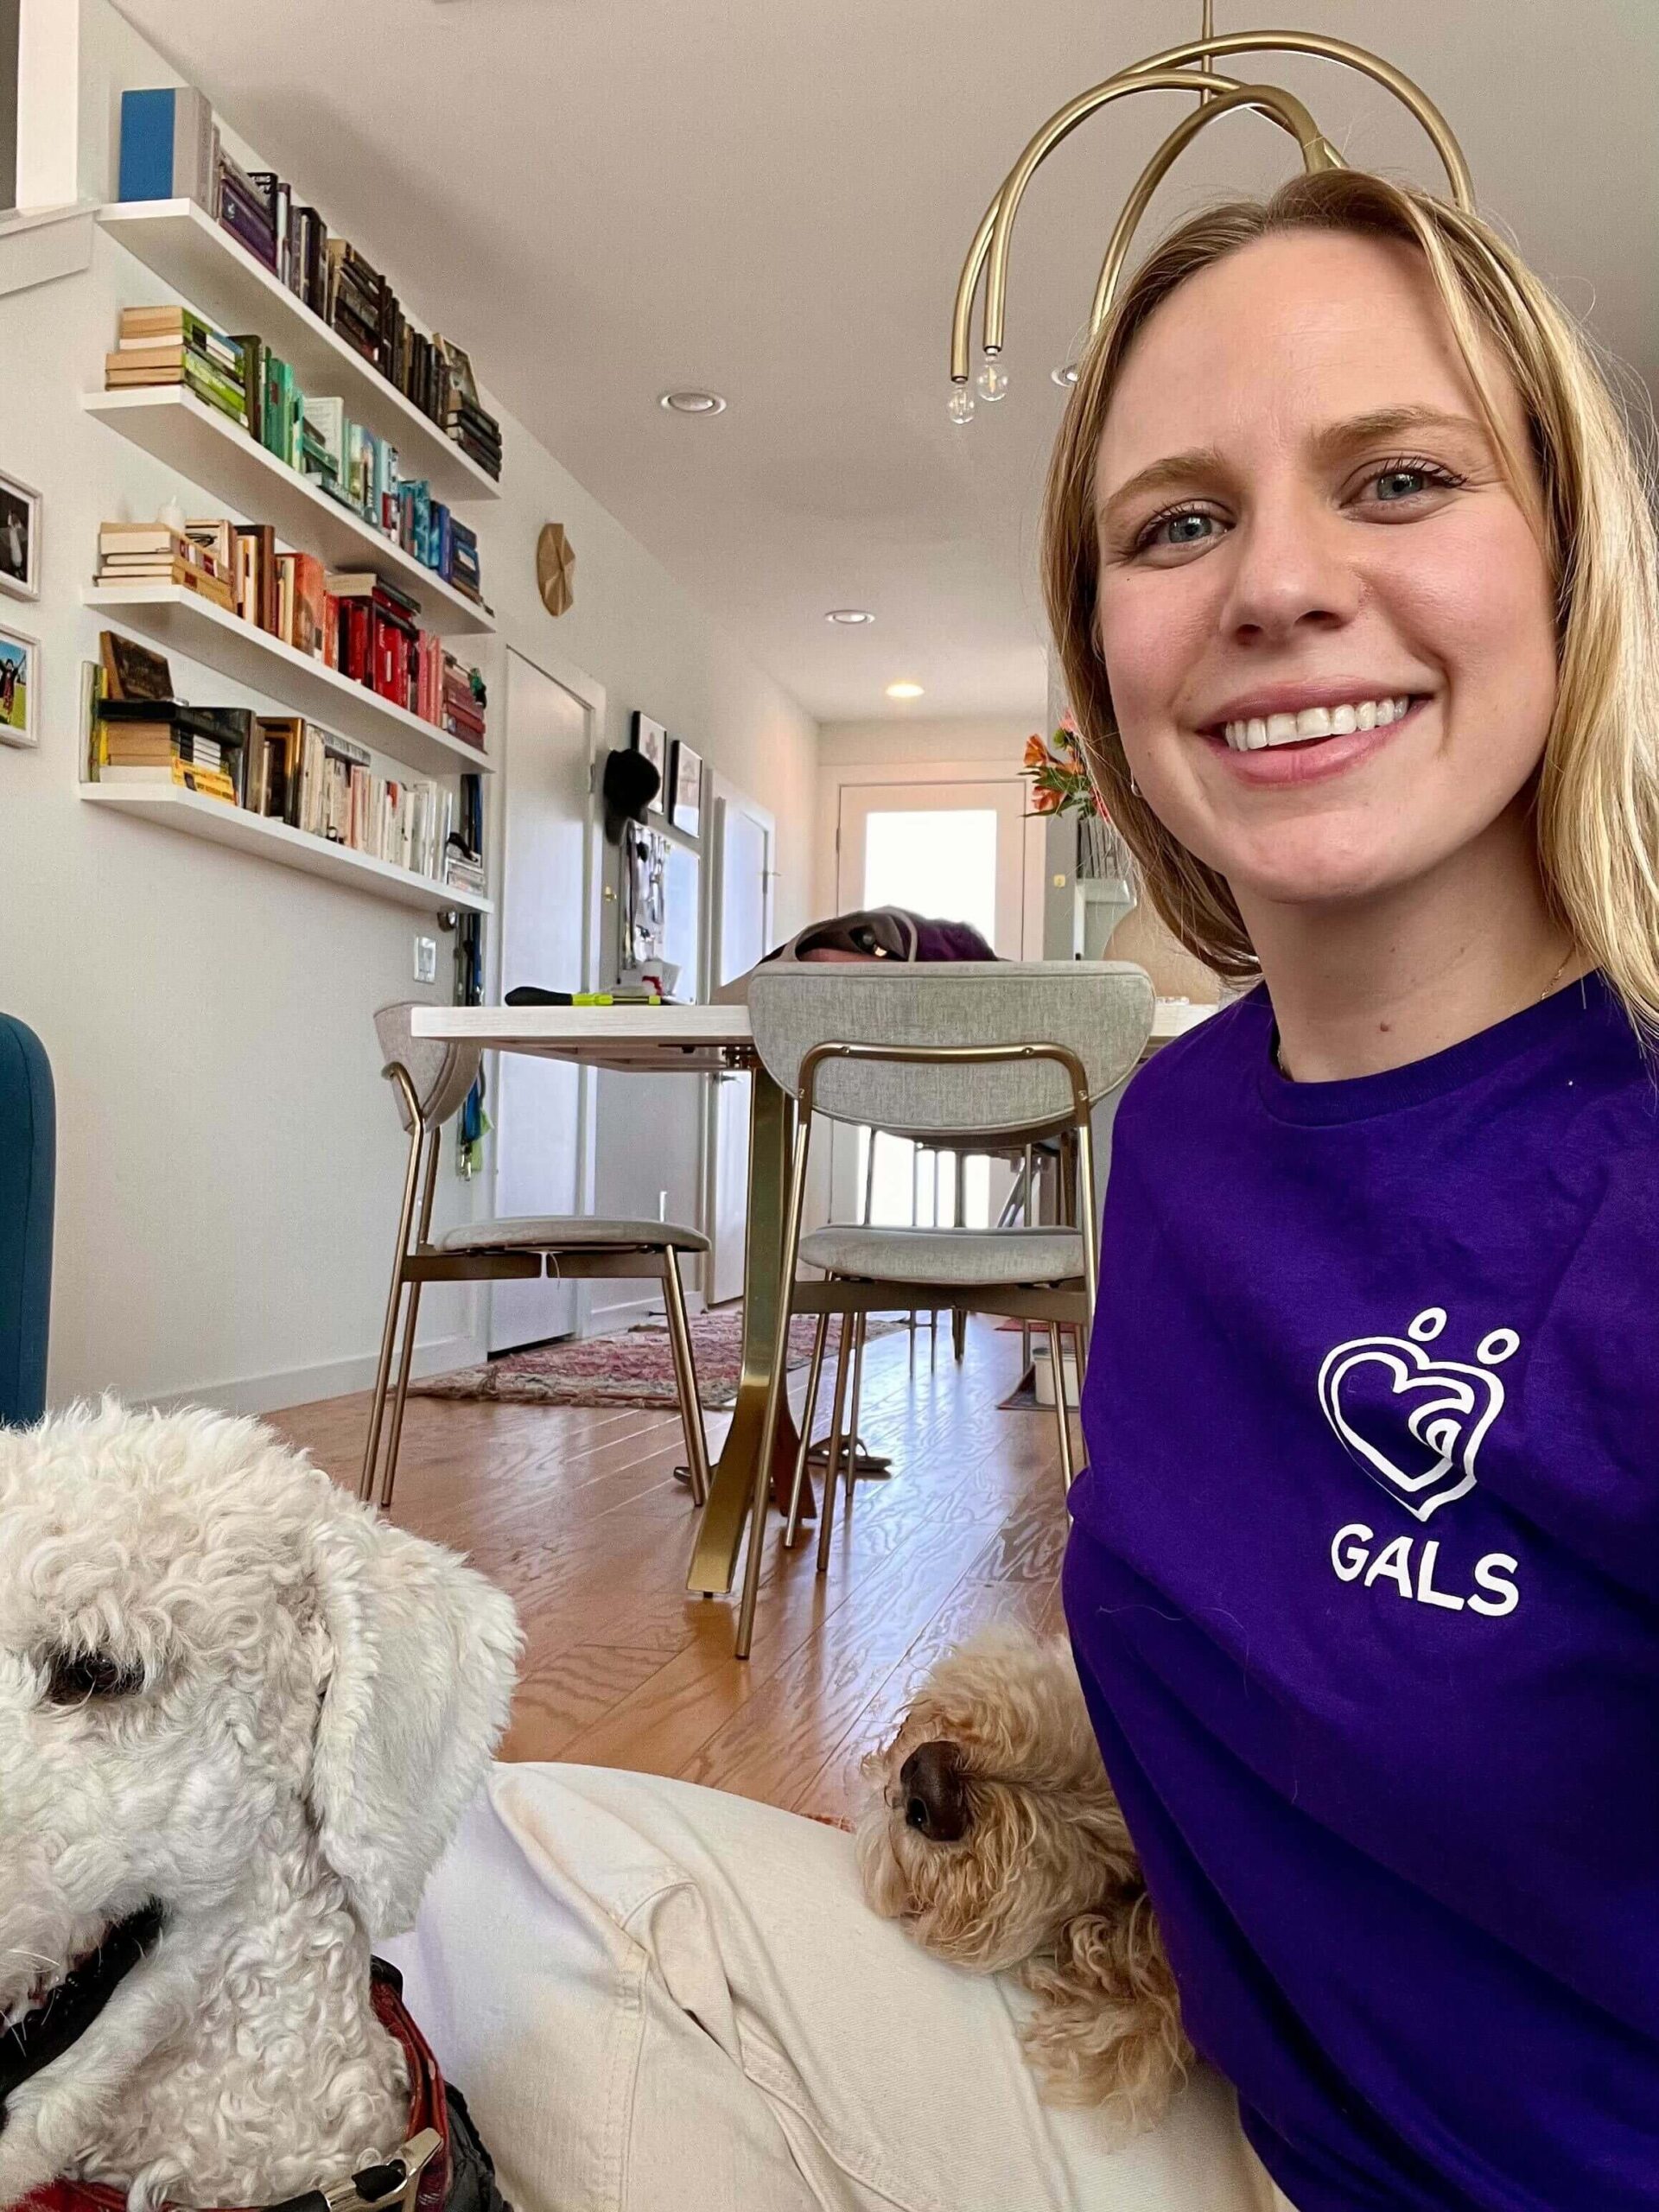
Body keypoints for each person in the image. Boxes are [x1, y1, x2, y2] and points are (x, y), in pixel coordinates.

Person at [393, 168, 1656, 2212]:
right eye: (1178, 520)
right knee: (489, 1861)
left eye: (1400, 477)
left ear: (1577, 557)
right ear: (1108, 657)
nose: (1277, 584)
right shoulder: (1173, 1135)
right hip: (1231, 2128)